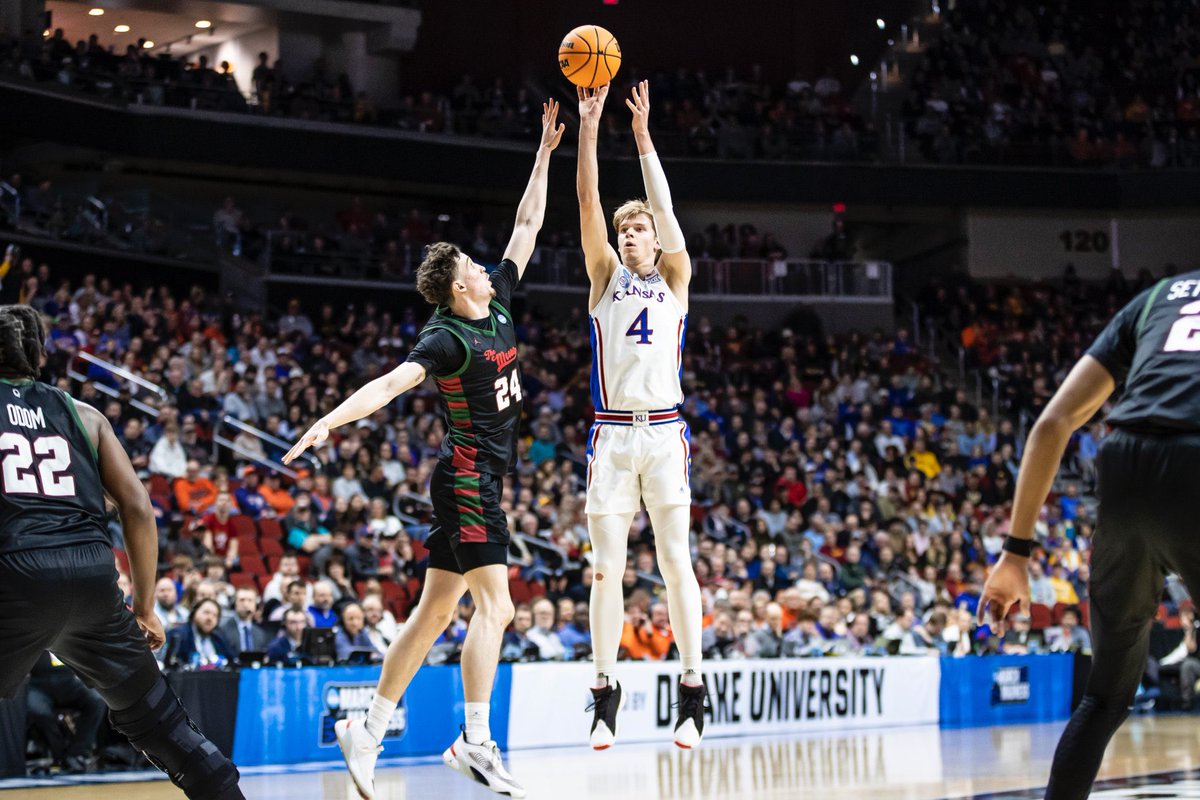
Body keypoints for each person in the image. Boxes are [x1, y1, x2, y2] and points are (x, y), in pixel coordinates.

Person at [283, 99, 564, 800]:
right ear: (456, 286)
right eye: (472, 264)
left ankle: (368, 730)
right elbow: (390, 384)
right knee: (497, 611)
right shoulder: (446, 335)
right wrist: (330, 420)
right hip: (468, 480)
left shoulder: (496, 300)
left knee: (436, 612)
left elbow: (527, 223)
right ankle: (475, 743)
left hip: (478, 480)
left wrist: (544, 153)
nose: (483, 265)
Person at [0, 305, 243, 798]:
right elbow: (138, 508)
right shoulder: (83, 414)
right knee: (164, 727)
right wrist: (145, 607)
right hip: (93, 577)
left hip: (14, 573)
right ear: (42, 355)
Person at [979, 268, 1200, 800]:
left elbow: (1054, 422)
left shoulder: (1160, 297)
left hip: (1124, 463)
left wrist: (1015, 554)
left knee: (1104, 699)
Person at [576, 80, 705, 751]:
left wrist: (644, 138)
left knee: (676, 563)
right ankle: (604, 691)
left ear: (655, 238)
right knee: (606, 571)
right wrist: (590, 127)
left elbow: (668, 211)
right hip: (610, 435)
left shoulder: (676, 276)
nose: (630, 232)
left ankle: (692, 689)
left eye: (640, 226)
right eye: (626, 229)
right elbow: (588, 202)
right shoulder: (604, 276)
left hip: (665, 434)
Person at [218, 586, 270, 658]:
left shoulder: (260, 633)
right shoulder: (223, 630)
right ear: (234, 603)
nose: (246, 604)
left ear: (256, 605)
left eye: (250, 600)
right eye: (242, 600)